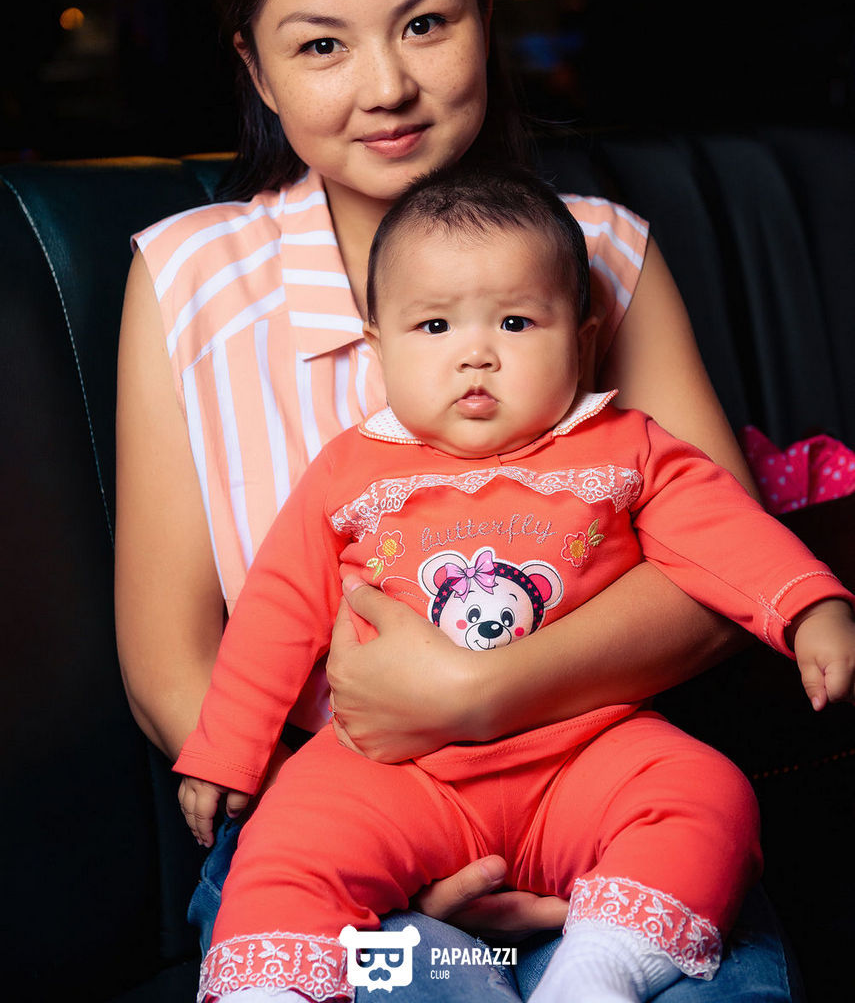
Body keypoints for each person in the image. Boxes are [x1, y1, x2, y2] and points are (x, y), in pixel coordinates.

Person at [115, 0, 806, 1002]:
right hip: (323, 823)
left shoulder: (605, 251)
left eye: (426, 24)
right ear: (258, 71)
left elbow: (719, 572)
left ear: (485, 18)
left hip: (604, 798)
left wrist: (483, 696)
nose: (386, 84)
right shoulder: (189, 277)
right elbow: (166, 662)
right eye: (322, 45)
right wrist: (379, 825)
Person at [173, 163, 855, 1003]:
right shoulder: (349, 472)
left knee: (706, 795)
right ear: (378, 349)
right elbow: (277, 610)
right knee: (286, 843)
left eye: (515, 321)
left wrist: (810, 604)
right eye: (433, 325)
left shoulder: (626, 447)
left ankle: (602, 965)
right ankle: (270, 988)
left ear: (584, 338)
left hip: (585, 753)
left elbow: (724, 533)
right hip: (394, 771)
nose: (476, 354)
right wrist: (227, 750)